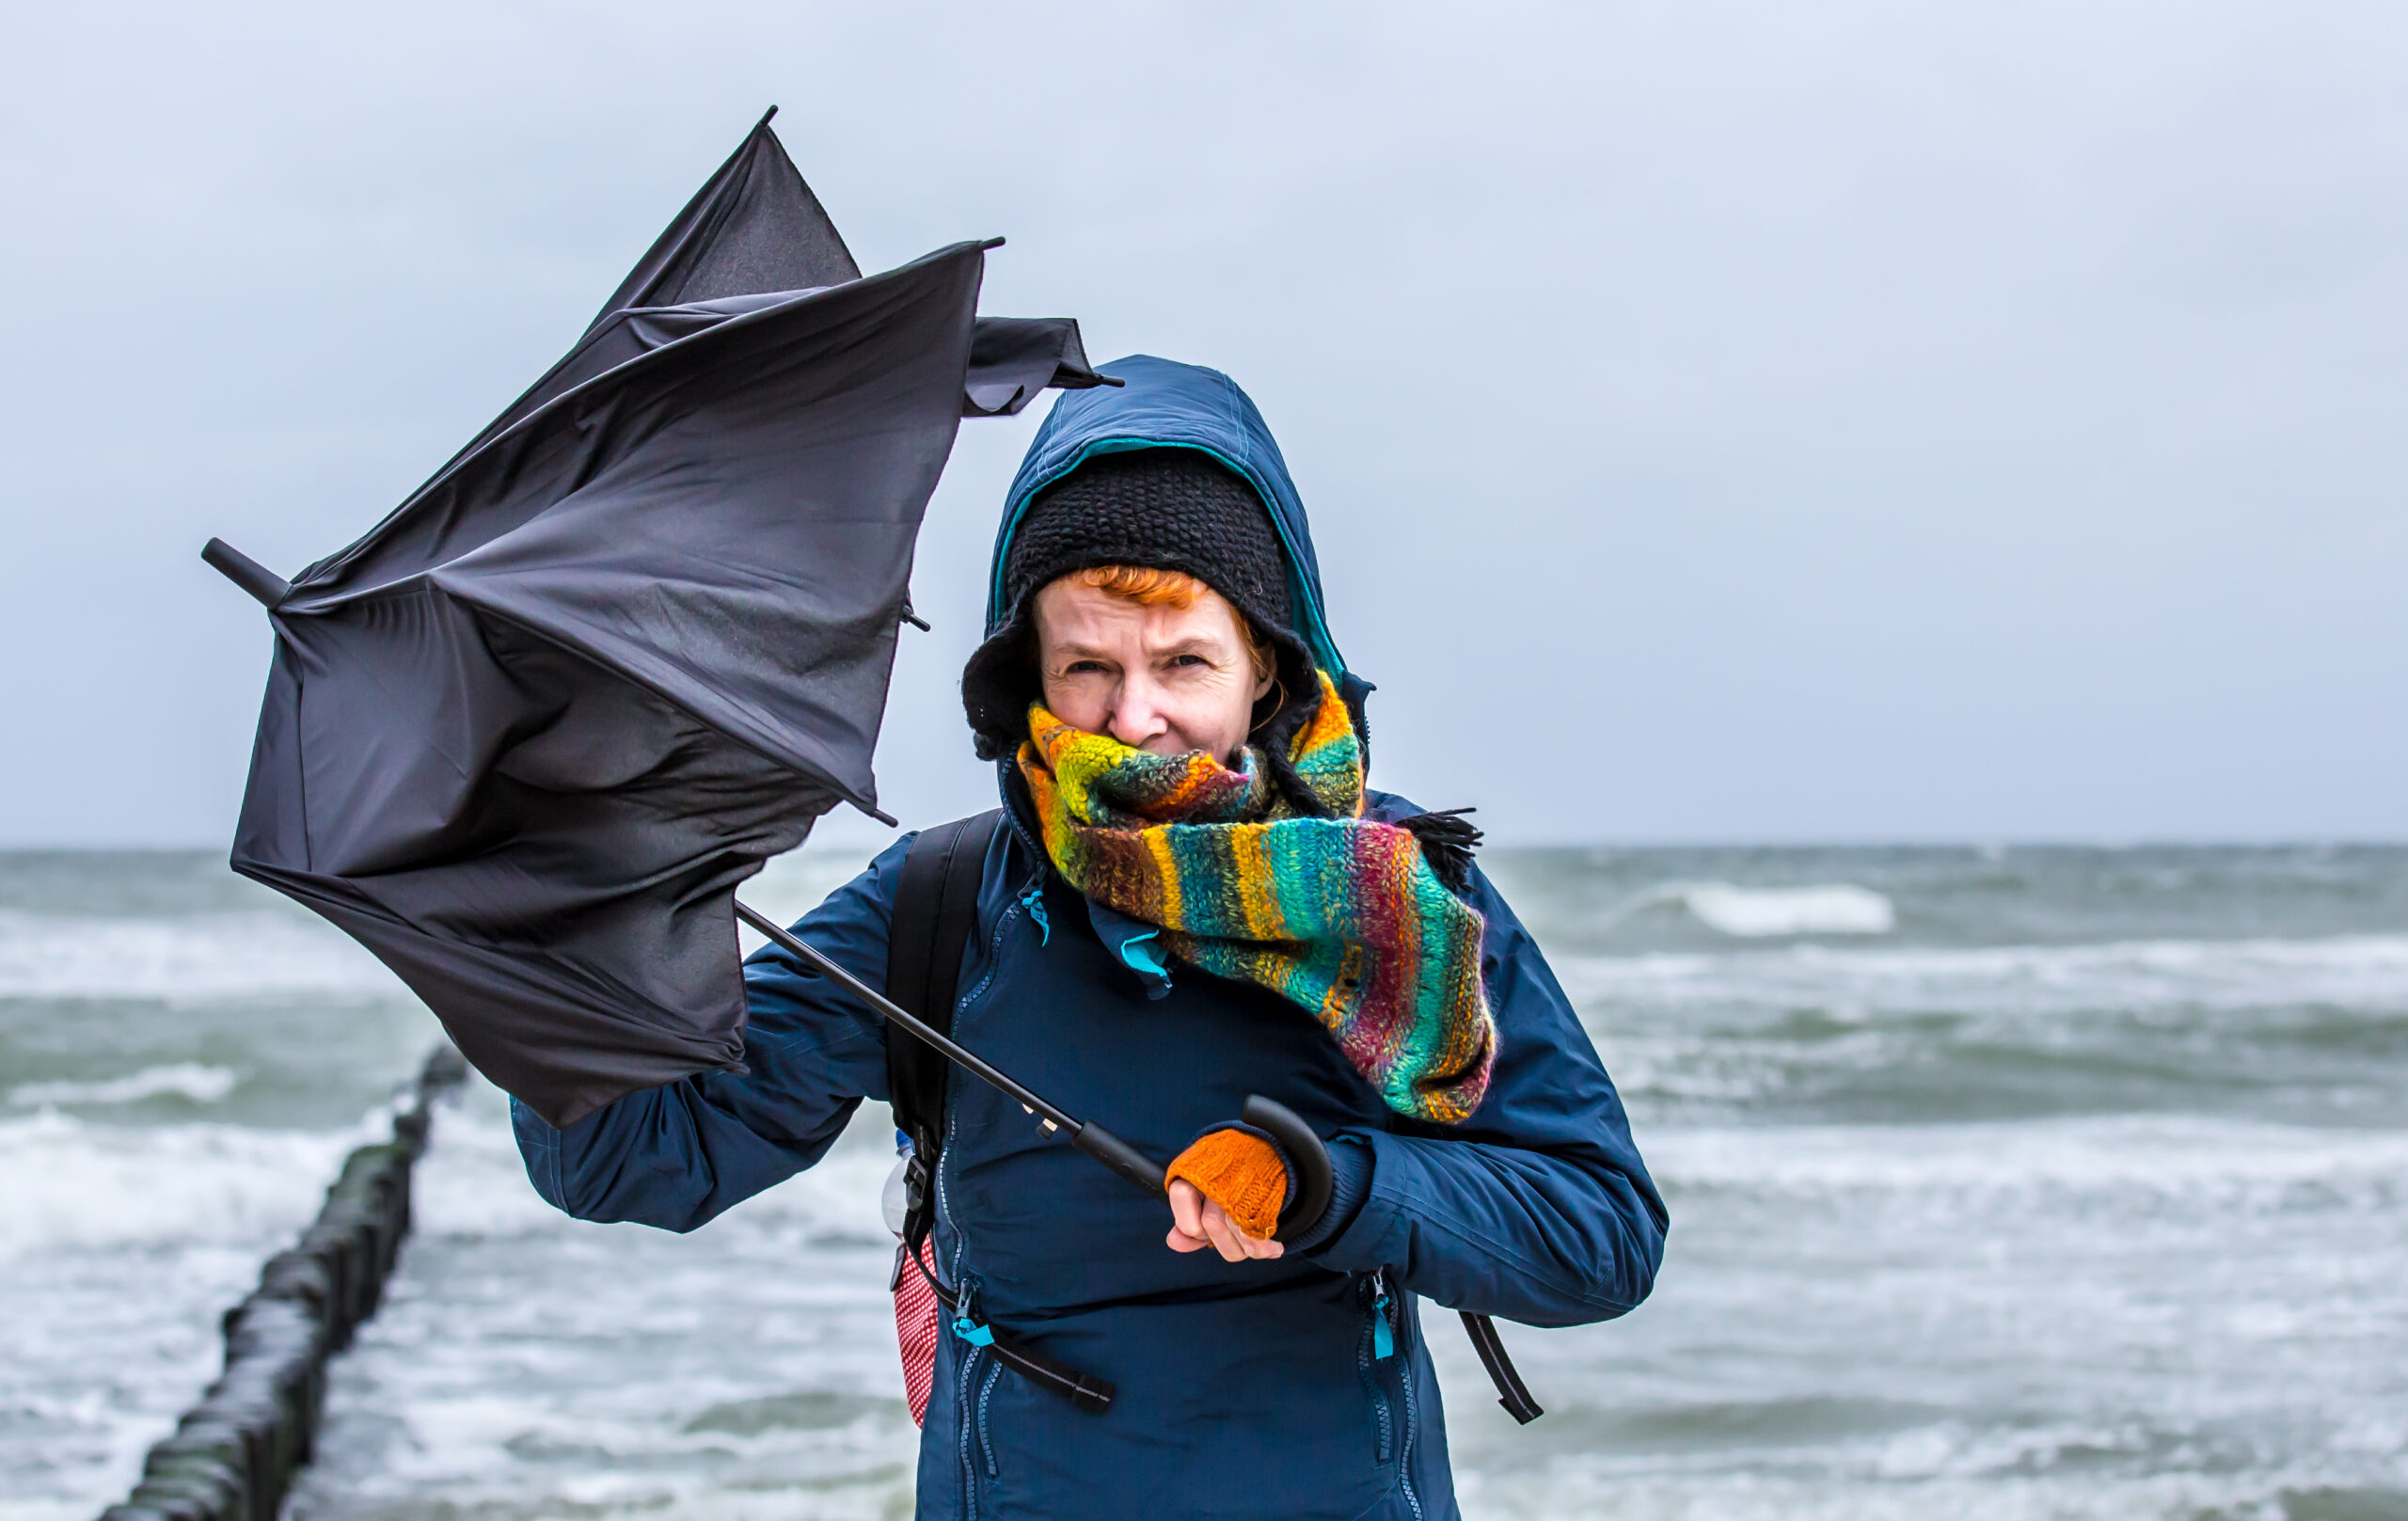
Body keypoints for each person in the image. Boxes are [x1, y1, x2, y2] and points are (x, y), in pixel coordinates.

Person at [512, 356, 1667, 1520]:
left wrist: (1330, 1185)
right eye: (1087, 669)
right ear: (1028, 675)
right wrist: (575, 907)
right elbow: (632, 1158)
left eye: (1182, 663)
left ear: (1263, 659)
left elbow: (1599, 1236)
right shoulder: (939, 901)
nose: (1133, 719)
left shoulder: (1402, 896)